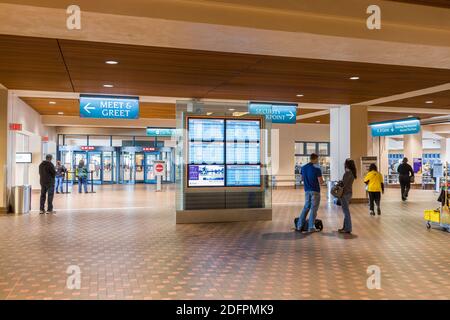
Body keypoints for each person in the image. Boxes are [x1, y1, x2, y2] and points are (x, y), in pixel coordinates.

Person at [295, 153, 324, 233]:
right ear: (314, 159)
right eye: (317, 159)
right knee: (314, 209)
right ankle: (311, 227)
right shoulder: (317, 169)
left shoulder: (303, 168)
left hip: (307, 190)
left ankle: (299, 225)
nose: (318, 161)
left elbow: (302, 179)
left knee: (306, 207)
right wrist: (323, 181)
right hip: (315, 191)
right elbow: (321, 182)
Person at [339, 159, 357, 234]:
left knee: (346, 212)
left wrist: (339, 183)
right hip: (349, 193)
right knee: (346, 211)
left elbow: (344, 184)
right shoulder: (352, 173)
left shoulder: (347, 173)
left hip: (344, 194)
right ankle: (345, 227)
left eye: (345, 163)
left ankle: (348, 228)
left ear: (347, 165)